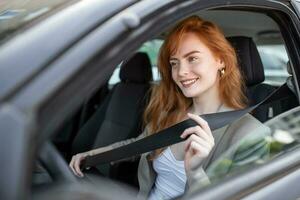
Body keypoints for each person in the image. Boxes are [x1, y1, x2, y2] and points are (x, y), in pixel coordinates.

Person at [69, 16, 265, 199]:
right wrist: (93, 155)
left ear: (220, 60)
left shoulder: (251, 135)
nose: (181, 72)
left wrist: (195, 173)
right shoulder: (170, 114)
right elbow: (138, 144)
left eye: (192, 58)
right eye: (174, 63)